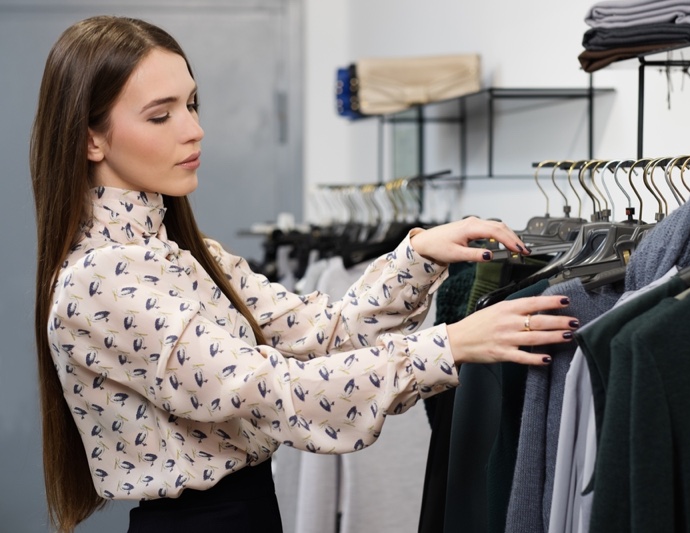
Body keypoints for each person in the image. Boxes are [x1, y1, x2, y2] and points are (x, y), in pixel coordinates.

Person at [30, 15, 579, 533]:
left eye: (193, 105)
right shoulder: (98, 282)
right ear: (90, 139)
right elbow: (273, 391)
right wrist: (448, 346)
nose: (194, 130)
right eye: (161, 114)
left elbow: (323, 332)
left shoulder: (184, 253)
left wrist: (420, 256)